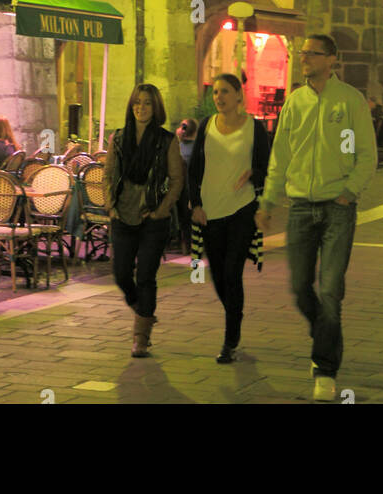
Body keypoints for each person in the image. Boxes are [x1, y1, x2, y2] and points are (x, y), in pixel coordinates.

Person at [255, 34, 377, 403]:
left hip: (337, 207)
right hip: (301, 208)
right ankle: (327, 335)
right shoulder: (295, 102)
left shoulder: (350, 100)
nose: (304, 58)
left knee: (330, 289)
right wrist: (268, 201)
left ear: (332, 59)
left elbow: (367, 154)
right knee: (299, 289)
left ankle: (325, 368)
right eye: (302, 53)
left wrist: (349, 190)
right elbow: (281, 156)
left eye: (312, 53)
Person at [188, 74, 270, 363]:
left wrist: (253, 174)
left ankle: (229, 340)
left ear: (238, 95)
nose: (219, 98)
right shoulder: (207, 127)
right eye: (215, 93)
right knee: (219, 276)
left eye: (225, 92)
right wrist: (195, 204)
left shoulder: (254, 128)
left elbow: (266, 165)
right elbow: (194, 168)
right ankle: (235, 312)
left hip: (241, 210)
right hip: (211, 212)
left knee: (232, 272)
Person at [103, 83, 183, 357]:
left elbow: (177, 179)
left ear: (155, 107)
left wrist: (163, 210)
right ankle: (143, 310)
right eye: (137, 102)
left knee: (146, 276)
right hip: (123, 215)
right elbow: (108, 175)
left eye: (147, 103)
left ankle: (141, 337)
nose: (141, 107)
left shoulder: (167, 141)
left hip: (153, 218)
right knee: (121, 273)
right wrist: (109, 206)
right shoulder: (119, 138)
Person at [175, 118, 198, 255]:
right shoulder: (197, 148)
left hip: (179, 192)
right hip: (192, 190)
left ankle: (183, 244)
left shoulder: (178, 148)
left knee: (183, 218)